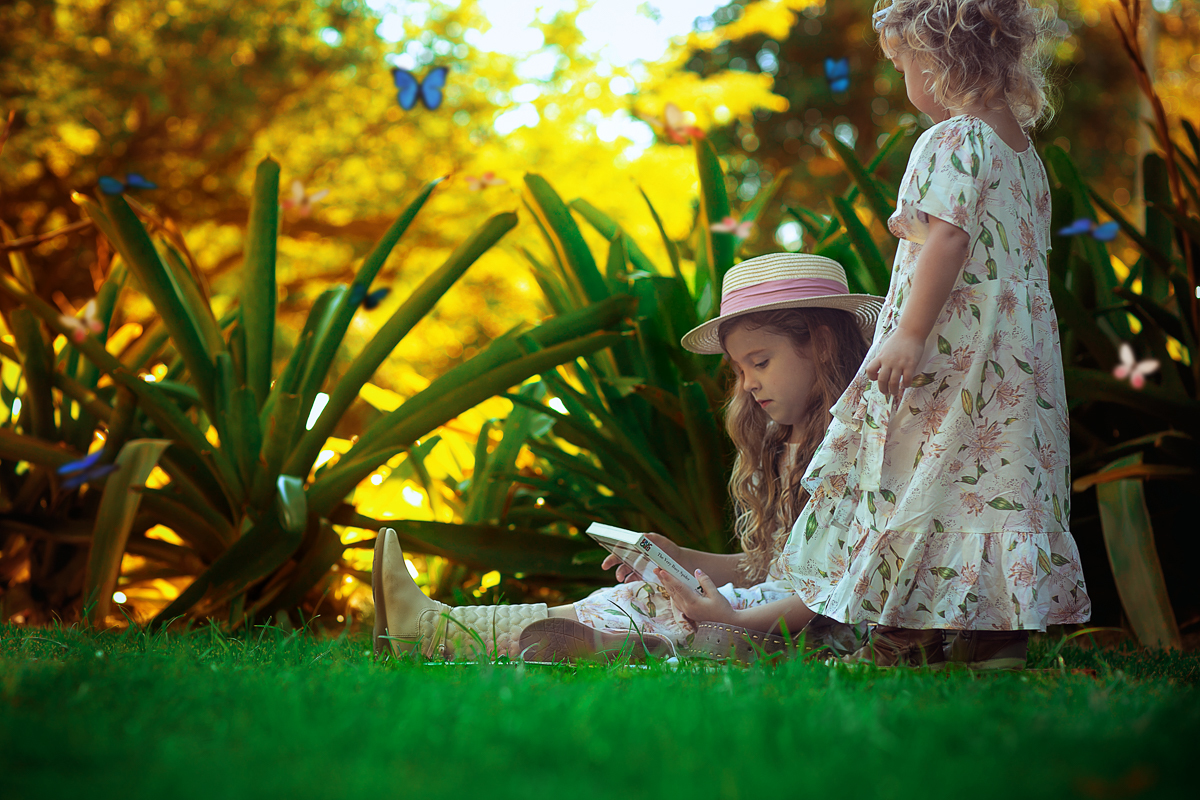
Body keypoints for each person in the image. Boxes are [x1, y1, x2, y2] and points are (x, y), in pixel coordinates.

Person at [777, 0, 1091, 670]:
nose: (904, 83)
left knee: (919, 471)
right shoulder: (1022, 156)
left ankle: (904, 630)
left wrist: (909, 335)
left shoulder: (953, 141)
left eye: (902, 65)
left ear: (941, 55)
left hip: (955, 352)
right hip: (1016, 361)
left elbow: (947, 236)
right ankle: (994, 636)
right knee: (999, 475)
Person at [371, 253, 882, 661]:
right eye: (738, 369)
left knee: (650, 605)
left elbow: (839, 584)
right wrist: (677, 560)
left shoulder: (863, 449)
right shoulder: (783, 444)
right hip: (767, 613)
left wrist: (735, 620)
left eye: (760, 362)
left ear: (818, 343)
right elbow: (770, 569)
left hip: (813, 630)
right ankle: (461, 630)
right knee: (645, 596)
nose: (747, 384)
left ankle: (441, 631)